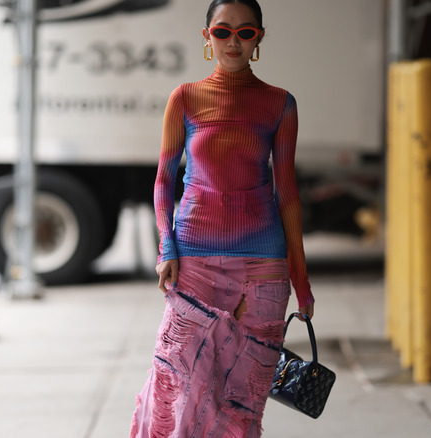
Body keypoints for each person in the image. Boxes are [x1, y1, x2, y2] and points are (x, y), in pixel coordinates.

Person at [130, 0, 314, 436]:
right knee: (178, 390)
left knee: (241, 403)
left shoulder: (280, 104)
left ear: (259, 39)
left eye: (245, 32)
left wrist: (301, 281)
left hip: (264, 269)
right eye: (222, 31)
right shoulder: (186, 98)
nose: (233, 41)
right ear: (207, 37)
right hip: (194, 261)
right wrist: (166, 246)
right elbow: (162, 181)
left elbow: (287, 194)